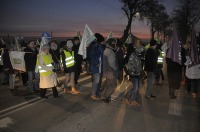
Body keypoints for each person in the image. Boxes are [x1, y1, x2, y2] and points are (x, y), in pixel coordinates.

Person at [100, 38, 118, 103]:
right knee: (113, 85)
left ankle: (103, 95)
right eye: (115, 43)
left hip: (106, 71)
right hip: (110, 71)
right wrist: (116, 69)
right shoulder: (110, 51)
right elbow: (112, 63)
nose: (115, 45)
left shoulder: (106, 50)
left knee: (108, 85)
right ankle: (105, 97)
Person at [90, 33, 105, 100]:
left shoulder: (101, 46)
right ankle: (93, 94)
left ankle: (97, 91)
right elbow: (93, 56)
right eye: (103, 40)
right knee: (96, 80)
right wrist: (96, 63)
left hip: (101, 67)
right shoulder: (95, 47)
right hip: (96, 67)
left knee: (99, 80)